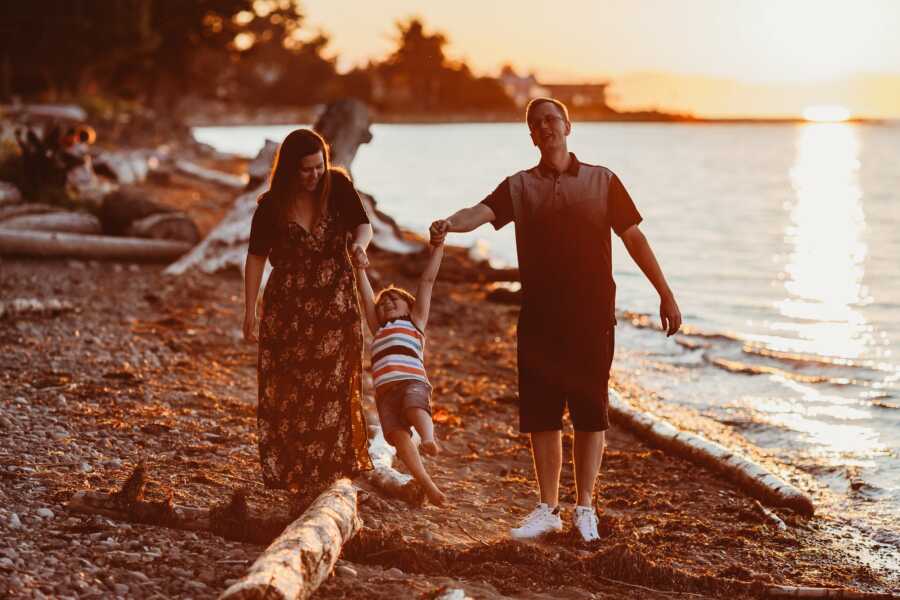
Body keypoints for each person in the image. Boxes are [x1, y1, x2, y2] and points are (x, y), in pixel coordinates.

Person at [430, 98, 681, 542]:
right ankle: (547, 508)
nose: (545, 126)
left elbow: (634, 237)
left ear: (568, 125)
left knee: (590, 414)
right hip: (540, 317)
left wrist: (665, 292)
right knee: (542, 415)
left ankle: (585, 508)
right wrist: (449, 223)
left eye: (552, 118)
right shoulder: (519, 186)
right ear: (531, 135)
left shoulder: (603, 181)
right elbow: (481, 213)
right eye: (536, 122)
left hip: (591, 314)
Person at [243, 128, 373, 505]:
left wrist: (361, 248)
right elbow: (254, 259)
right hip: (289, 310)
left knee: (333, 387)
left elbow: (363, 225)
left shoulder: (339, 186)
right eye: (306, 170)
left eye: (319, 166)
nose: (315, 175)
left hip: (336, 306)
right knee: (292, 391)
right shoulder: (270, 206)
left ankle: (330, 474)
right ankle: (298, 474)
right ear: (288, 170)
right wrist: (249, 309)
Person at [351, 235, 447, 505]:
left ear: (410, 305)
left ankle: (428, 439)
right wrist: (360, 268)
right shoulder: (378, 328)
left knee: (414, 408)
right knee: (396, 436)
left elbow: (427, 281)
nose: (386, 302)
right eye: (383, 303)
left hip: (411, 381)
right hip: (385, 392)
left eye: (394, 299)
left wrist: (438, 248)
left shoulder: (415, 322)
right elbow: (366, 298)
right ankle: (427, 485)